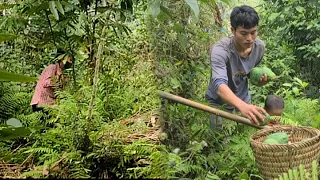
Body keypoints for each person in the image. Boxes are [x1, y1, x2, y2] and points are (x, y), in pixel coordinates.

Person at [205, 5, 269, 132]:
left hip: (243, 100)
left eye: (253, 32)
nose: (249, 38)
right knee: (218, 141)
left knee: (243, 139)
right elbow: (219, 85)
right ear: (233, 30)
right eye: (244, 33)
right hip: (218, 103)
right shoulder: (220, 50)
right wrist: (242, 106)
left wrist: (259, 82)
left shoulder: (259, 48)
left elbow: (248, 73)